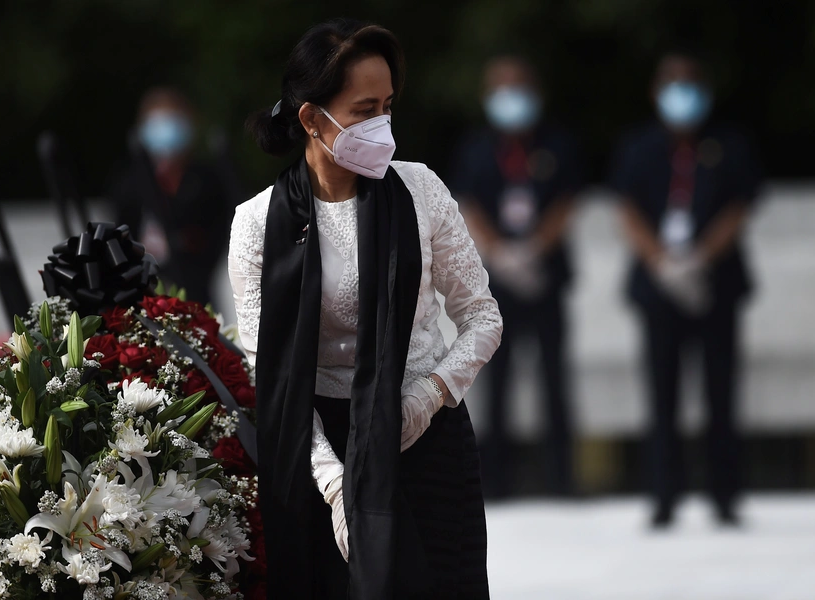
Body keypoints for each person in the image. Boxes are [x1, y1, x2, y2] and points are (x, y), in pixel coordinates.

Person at [228, 19, 502, 599]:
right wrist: (334, 486)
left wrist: (425, 399)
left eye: (387, 106)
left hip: (426, 440)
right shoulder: (257, 223)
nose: (381, 125)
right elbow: (268, 374)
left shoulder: (420, 190)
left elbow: (482, 318)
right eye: (362, 110)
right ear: (311, 118)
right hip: (318, 448)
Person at [610, 49, 763, 527]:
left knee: (721, 393)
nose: (682, 93)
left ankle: (724, 495)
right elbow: (627, 210)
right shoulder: (637, 148)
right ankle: (663, 496)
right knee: (662, 394)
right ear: (657, 92)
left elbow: (739, 207)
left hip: (715, 284)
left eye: (690, 82)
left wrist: (699, 259)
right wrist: (662, 262)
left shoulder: (730, 144)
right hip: (659, 287)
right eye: (672, 83)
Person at [450, 55, 583, 497]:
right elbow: (468, 203)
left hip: (545, 277)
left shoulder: (557, 144)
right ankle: (496, 484)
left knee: (554, 379)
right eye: (502, 88)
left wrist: (534, 249)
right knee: (498, 382)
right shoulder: (475, 149)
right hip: (498, 281)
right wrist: (503, 253)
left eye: (519, 86)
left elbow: (566, 201)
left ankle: (562, 481)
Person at [109, 87, 232, 306]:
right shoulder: (130, 185)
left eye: (173, 121)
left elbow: (218, 237)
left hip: (197, 298)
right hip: (142, 301)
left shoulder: (207, 182)